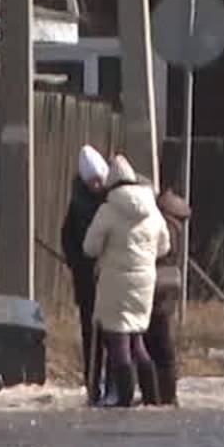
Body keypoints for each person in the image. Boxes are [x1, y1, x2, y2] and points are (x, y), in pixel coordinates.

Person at [81, 154, 168, 408]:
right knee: (137, 339)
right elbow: (164, 246)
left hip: (115, 280)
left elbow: (90, 247)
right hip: (144, 281)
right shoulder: (151, 208)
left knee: (119, 340)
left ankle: (125, 397)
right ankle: (152, 396)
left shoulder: (108, 210)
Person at [59, 146, 111, 397]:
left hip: (111, 276)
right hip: (87, 277)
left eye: (99, 180)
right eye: (92, 181)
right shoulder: (77, 205)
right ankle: (92, 384)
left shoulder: (112, 200)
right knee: (91, 333)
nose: (96, 185)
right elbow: (67, 238)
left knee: (113, 332)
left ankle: (113, 384)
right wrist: (76, 261)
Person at [141, 185, 192, 407]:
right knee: (162, 343)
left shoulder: (164, 228)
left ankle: (161, 394)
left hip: (156, 288)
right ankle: (165, 393)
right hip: (169, 289)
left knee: (158, 344)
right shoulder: (176, 228)